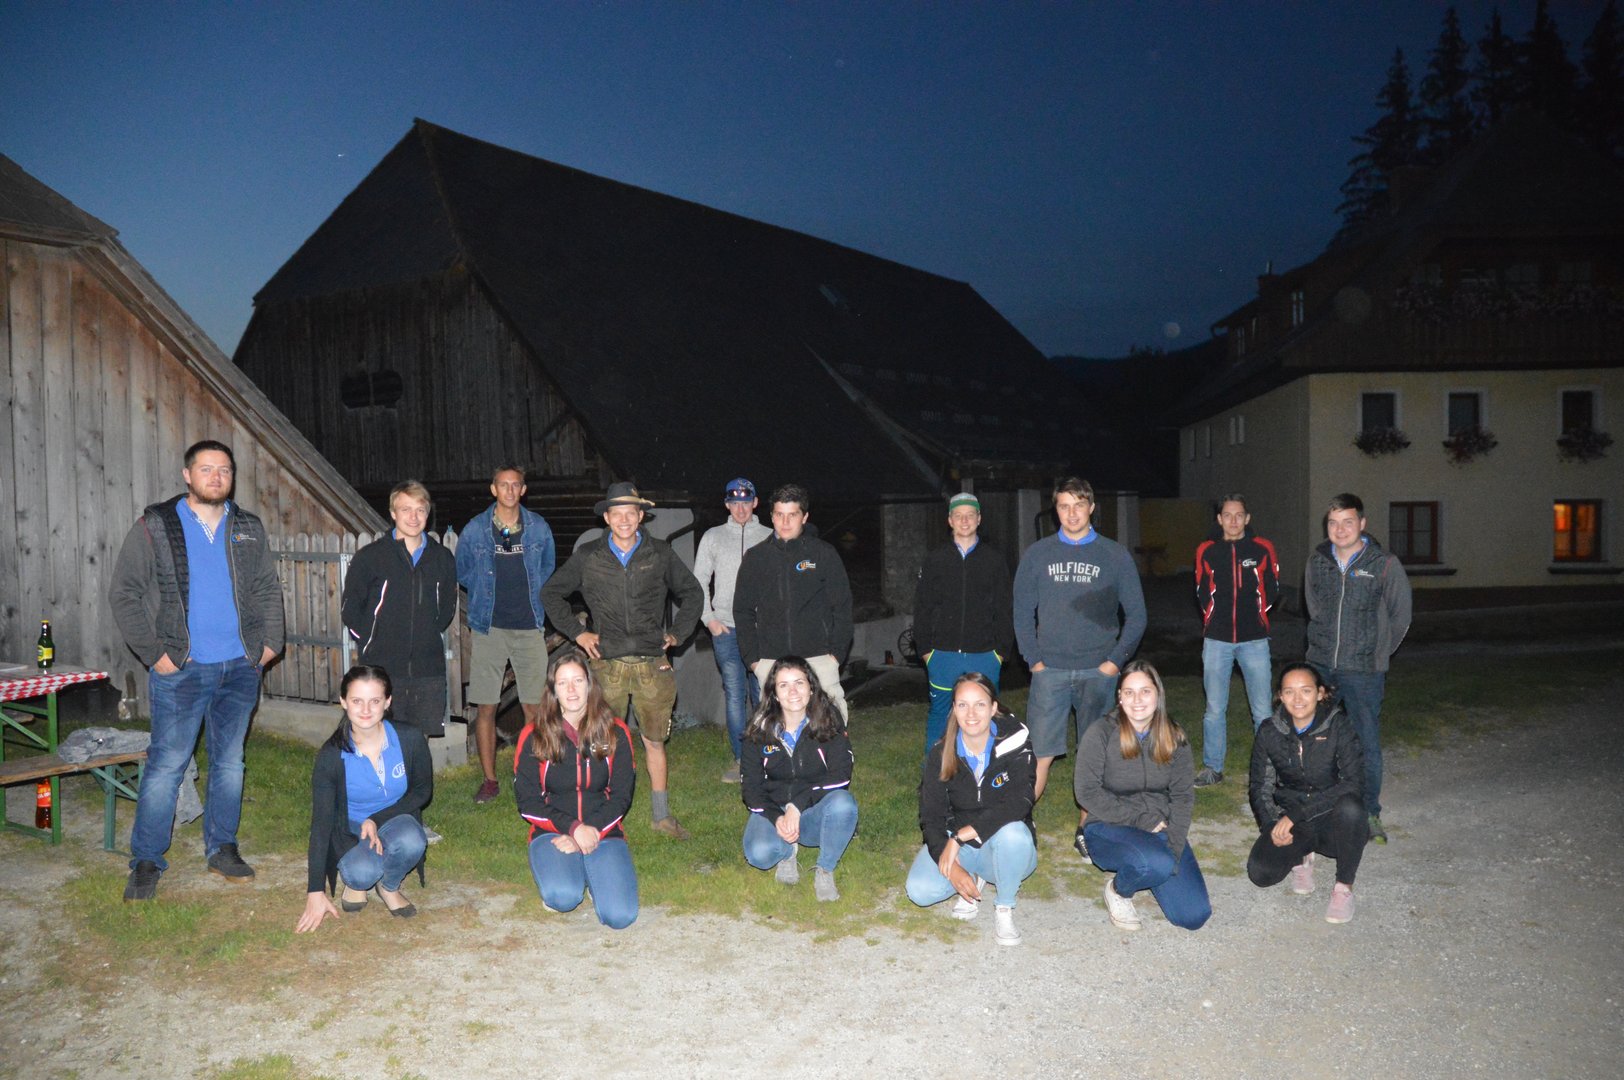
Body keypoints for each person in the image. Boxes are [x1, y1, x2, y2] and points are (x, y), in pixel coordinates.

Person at [110, 439, 285, 902]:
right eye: (206, 469)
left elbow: (267, 587)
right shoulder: (156, 525)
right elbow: (124, 592)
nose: (216, 477)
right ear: (188, 475)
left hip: (240, 666)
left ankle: (222, 848)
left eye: (224, 469)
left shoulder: (247, 527)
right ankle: (147, 860)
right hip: (181, 669)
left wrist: (270, 645)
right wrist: (154, 654)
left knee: (229, 762)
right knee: (167, 765)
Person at [540, 482, 703, 840]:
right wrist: (578, 633)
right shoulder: (589, 556)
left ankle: (661, 816)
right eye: (617, 513)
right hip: (606, 664)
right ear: (607, 518)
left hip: (652, 664)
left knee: (654, 741)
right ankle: (598, 814)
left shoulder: (660, 553)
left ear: (641, 516)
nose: (624, 519)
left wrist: (676, 634)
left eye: (631, 513)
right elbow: (551, 593)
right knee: (599, 741)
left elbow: (692, 593)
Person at [1012, 477, 1146, 863]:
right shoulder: (1037, 554)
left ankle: (1087, 827)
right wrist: (1034, 660)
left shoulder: (1114, 555)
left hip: (1097, 672)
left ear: (1091, 508)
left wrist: (1113, 662)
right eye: (1064, 506)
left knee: (1096, 754)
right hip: (1050, 670)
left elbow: (1137, 615)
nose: (1072, 513)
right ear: (1055, 510)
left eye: (1079, 505)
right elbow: (1021, 611)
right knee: (1038, 752)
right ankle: (1020, 823)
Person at [1304, 492, 1411, 844]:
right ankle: (1319, 807)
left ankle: (1368, 813)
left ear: (1362, 524)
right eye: (1333, 523)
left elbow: (1400, 616)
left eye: (1348, 522)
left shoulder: (1383, 563)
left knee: (1365, 743)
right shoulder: (1317, 561)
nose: (1340, 529)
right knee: (1315, 739)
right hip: (1321, 666)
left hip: (1364, 670)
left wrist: (1377, 653)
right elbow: (1314, 607)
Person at [1075, 661, 1210, 932]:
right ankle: (1118, 891)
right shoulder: (1101, 733)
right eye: (1129, 692)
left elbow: (1183, 796)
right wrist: (1141, 819)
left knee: (1193, 916)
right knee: (1155, 864)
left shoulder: (1174, 736)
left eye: (1145, 691)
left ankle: (1155, 863)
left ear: (1158, 694)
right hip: (1108, 825)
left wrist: (1174, 846)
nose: (1137, 700)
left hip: (1159, 827)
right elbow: (1086, 791)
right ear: (1120, 697)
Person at [295, 665, 432, 931]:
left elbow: (422, 791)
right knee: (361, 873)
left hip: (395, 819)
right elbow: (321, 825)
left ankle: (389, 886)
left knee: (413, 840)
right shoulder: (331, 756)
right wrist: (315, 891)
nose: (366, 710)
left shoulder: (409, 738)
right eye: (357, 701)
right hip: (351, 828)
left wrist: (376, 819)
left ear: (387, 702)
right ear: (343, 701)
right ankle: (360, 876)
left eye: (375, 701)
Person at [905, 672, 1037, 946]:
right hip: (963, 848)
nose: (971, 713)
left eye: (980, 704)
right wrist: (952, 866)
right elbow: (931, 816)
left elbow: (1020, 802)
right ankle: (972, 879)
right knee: (919, 891)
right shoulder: (941, 753)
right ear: (954, 709)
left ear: (993, 707)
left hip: (1003, 844)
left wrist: (961, 836)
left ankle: (1004, 905)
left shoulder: (1015, 742)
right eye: (963, 705)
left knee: (1014, 833)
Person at [513, 651, 638, 928]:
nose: (571, 689)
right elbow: (528, 803)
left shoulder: (615, 731)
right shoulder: (534, 735)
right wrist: (573, 829)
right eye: (562, 683)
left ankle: (594, 877)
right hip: (553, 832)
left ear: (590, 685)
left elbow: (621, 797)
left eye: (578, 681)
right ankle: (570, 874)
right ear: (553, 690)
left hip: (603, 830)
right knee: (563, 897)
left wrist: (590, 830)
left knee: (621, 917)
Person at [456, 464, 556, 805]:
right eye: (503, 484)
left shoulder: (539, 528)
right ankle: (489, 780)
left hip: (529, 627)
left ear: (523, 490)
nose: (510, 490)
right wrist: (485, 595)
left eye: (516, 485)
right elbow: (463, 571)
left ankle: (534, 777)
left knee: (535, 708)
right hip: (489, 628)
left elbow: (547, 569)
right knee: (487, 706)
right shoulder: (475, 529)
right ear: (493, 489)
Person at [1247, 663, 1368, 924]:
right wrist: (1271, 826)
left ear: (1320, 693)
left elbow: (1353, 783)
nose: (1298, 699)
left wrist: (1299, 814)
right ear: (1280, 696)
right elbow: (1260, 786)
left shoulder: (1338, 725)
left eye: (1306, 690)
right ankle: (1302, 857)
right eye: (1289, 691)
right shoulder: (1270, 730)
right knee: (1261, 874)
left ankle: (1343, 887)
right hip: (1293, 820)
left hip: (1331, 818)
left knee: (1352, 808)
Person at [341, 480, 457, 737]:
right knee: (379, 737)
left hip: (427, 669)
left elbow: (446, 609)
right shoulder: (370, 557)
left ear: (428, 514)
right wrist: (370, 642)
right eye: (405, 509)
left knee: (419, 741)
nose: (413, 517)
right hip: (381, 667)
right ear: (393, 513)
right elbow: (350, 610)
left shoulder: (442, 558)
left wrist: (426, 635)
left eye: (420, 510)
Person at [740, 657, 858, 902]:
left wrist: (797, 805)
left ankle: (825, 869)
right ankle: (787, 853)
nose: (793, 691)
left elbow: (841, 775)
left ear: (811, 687)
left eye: (799, 683)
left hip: (814, 810)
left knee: (843, 804)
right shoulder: (758, 728)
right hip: (774, 806)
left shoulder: (829, 719)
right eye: (783, 685)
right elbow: (751, 788)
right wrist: (777, 817)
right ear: (774, 693)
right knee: (759, 854)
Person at [733, 483, 854, 721]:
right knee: (776, 730)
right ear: (771, 516)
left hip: (819, 659)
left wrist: (835, 656)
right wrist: (754, 661)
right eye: (779, 515)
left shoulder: (823, 553)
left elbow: (842, 606)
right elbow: (743, 610)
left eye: (792, 515)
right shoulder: (756, 558)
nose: (785, 522)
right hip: (772, 661)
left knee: (830, 726)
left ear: (804, 517)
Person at [911, 492, 1013, 755]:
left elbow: (1005, 608)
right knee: (940, 716)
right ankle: (935, 772)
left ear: (979, 519)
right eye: (958, 515)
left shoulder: (994, 560)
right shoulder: (935, 559)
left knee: (985, 716)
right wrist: (926, 651)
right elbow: (922, 607)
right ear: (950, 520)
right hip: (943, 654)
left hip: (985, 654)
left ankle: (986, 770)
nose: (964, 520)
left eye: (970, 515)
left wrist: (1000, 652)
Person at [1192, 494, 1281, 787]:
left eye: (1239, 515)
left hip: (1254, 640)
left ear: (1247, 518)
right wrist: (1212, 617)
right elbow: (1201, 590)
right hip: (1217, 640)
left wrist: (1257, 616)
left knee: (1262, 710)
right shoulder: (1206, 550)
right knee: (1214, 709)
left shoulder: (1262, 548)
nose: (1233, 521)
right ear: (1219, 519)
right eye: (1227, 515)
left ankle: (1267, 769)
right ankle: (1213, 767)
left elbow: (1272, 588)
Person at [693, 477, 772, 783]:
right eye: (735, 503)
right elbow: (699, 579)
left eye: (746, 502)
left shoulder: (769, 536)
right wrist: (708, 619)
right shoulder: (713, 537)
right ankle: (742, 760)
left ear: (755, 503)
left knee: (763, 693)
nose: (741, 509)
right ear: (727, 505)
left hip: (761, 629)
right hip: (725, 628)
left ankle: (766, 755)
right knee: (735, 695)